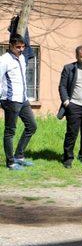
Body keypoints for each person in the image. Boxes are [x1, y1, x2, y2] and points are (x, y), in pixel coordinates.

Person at [0, 34, 37, 170]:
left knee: (32, 126)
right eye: (18, 47)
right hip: (10, 100)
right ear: (11, 46)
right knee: (10, 132)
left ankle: (19, 156)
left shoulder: (21, 58)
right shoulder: (4, 60)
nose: (21, 49)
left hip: (23, 99)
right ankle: (10, 162)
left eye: (23, 46)